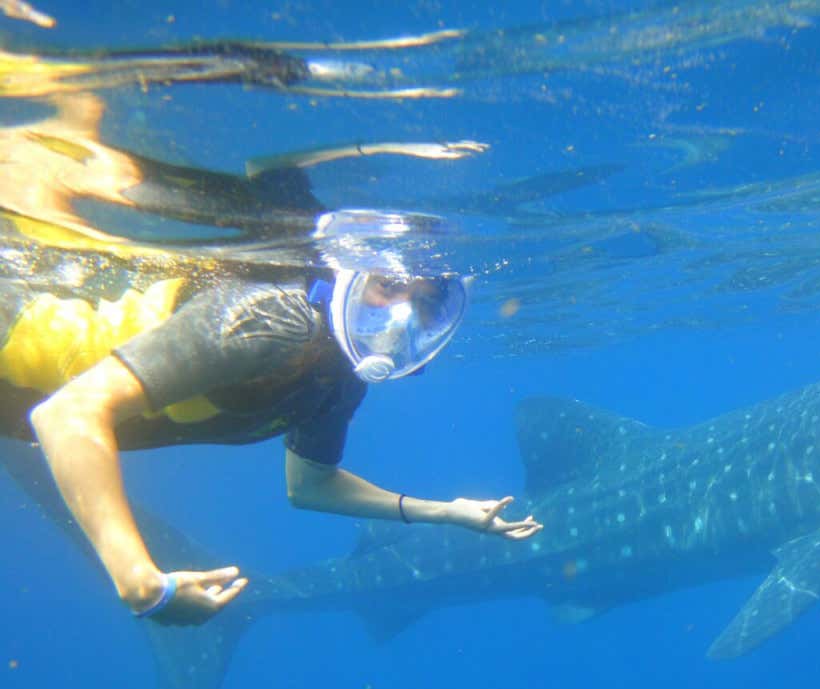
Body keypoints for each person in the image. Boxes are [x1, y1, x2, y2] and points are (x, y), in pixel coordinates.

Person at [0, 92, 540, 628]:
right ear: (350, 275)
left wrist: (444, 512)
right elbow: (66, 414)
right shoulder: (274, 323)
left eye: (425, 305)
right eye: (388, 287)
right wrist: (139, 580)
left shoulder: (341, 376)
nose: (401, 317)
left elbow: (310, 487)